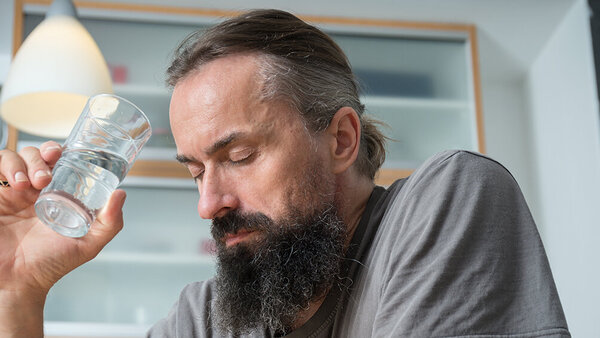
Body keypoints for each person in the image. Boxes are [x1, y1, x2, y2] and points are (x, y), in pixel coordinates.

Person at [0, 9, 570, 338]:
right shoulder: (204, 318)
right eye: (196, 171)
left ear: (341, 139)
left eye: (240, 157)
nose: (209, 203)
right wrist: (19, 293)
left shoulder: (448, 200)